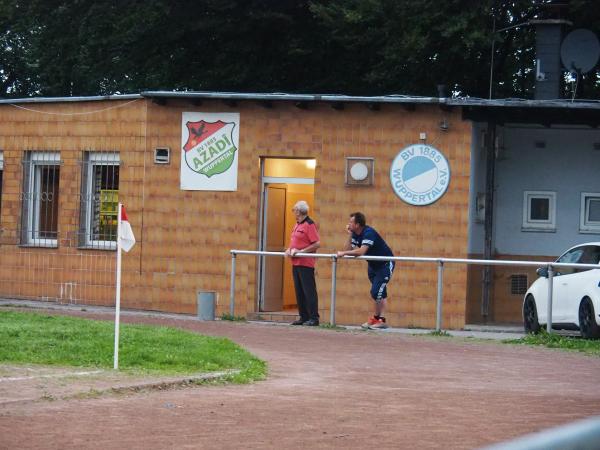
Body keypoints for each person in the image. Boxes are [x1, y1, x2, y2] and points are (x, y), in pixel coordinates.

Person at [337, 212, 394, 329]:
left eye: (351, 222)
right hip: (373, 265)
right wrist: (349, 235)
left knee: (376, 292)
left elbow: (361, 251)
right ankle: (377, 320)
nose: (348, 224)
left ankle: (380, 320)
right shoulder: (355, 234)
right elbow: (348, 248)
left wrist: (343, 253)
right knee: (380, 293)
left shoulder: (368, 233)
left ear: (357, 224)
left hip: (385, 265)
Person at [285, 200, 321, 326]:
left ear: (299, 211)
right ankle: (303, 316)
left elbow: (316, 243)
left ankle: (313, 317)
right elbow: (294, 241)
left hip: (305, 263)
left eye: (294, 210)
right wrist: (290, 249)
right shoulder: (297, 224)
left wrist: (301, 251)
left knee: (308, 290)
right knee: (299, 290)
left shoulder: (309, 224)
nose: (293, 212)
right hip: (295, 262)